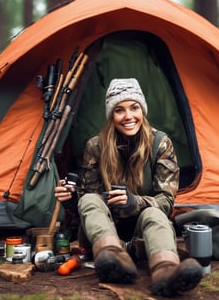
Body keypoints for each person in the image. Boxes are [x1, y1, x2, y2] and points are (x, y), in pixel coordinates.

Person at [55, 78, 203, 297]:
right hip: (102, 235)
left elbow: (166, 201)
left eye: (134, 108)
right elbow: (88, 207)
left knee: (154, 213)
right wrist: (70, 200)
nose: (128, 117)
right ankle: (112, 256)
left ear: (142, 110)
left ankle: (167, 271)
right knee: (88, 199)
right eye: (119, 110)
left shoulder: (160, 144)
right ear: (111, 115)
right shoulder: (95, 146)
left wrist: (135, 203)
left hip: (143, 234)